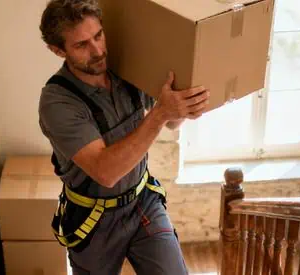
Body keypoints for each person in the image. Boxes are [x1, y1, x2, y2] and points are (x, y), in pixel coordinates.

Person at [37, 0, 210, 274]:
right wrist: (161, 113)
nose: (97, 51)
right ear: (58, 50)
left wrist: (185, 107)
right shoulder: (57, 102)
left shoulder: (126, 69)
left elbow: (172, 123)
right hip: (93, 219)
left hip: (143, 202)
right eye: (81, 45)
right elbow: (106, 171)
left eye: (98, 36)